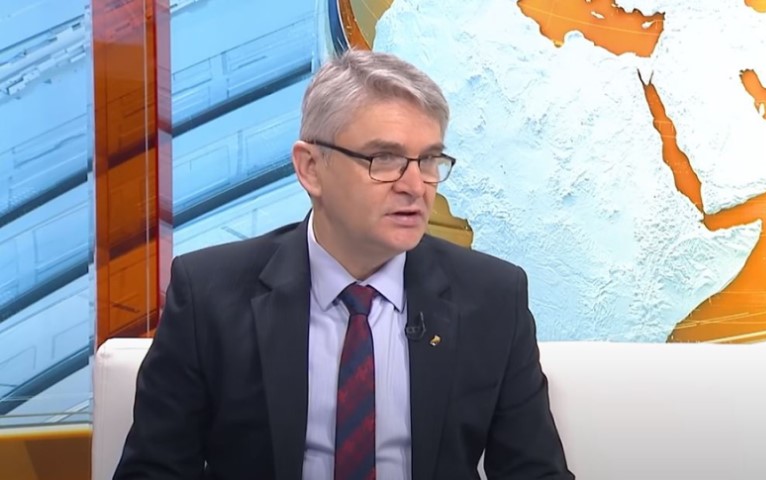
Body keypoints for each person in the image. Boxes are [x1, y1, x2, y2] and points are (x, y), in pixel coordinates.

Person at [114, 49, 574, 480]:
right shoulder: (208, 295)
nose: (416, 186)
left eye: (429, 160)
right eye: (385, 159)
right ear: (311, 168)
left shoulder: (493, 297)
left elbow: (535, 473)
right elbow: (154, 472)